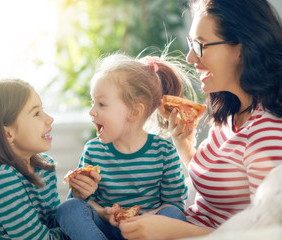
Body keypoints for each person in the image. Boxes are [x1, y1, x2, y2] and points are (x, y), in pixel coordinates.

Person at [117, 0, 282, 239]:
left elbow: (265, 232)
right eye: (192, 44)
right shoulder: (235, 110)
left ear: (242, 50)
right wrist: (184, 144)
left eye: (201, 46)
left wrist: (172, 230)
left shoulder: (271, 131)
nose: (191, 57)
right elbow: (217, 190)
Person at [56, 53, 193, 239]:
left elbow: (175, 205)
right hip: (104, 231)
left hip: (147, 232)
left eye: (101, 104)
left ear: (134, 112)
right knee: (69, 208)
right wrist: (103, 212)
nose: (91, 111)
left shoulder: (164, 152)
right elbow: (87, 203)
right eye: (92, 102)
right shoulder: (93, 150)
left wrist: (145, 220)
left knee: (174, 216)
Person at [0, 79, 75, 239]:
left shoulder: (44, 166)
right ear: (7, 134)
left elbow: (55, 223)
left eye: (43, 110)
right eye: (36, 113)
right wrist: (79, 228)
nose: (50, 118)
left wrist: (78, 196)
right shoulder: (0, 177)